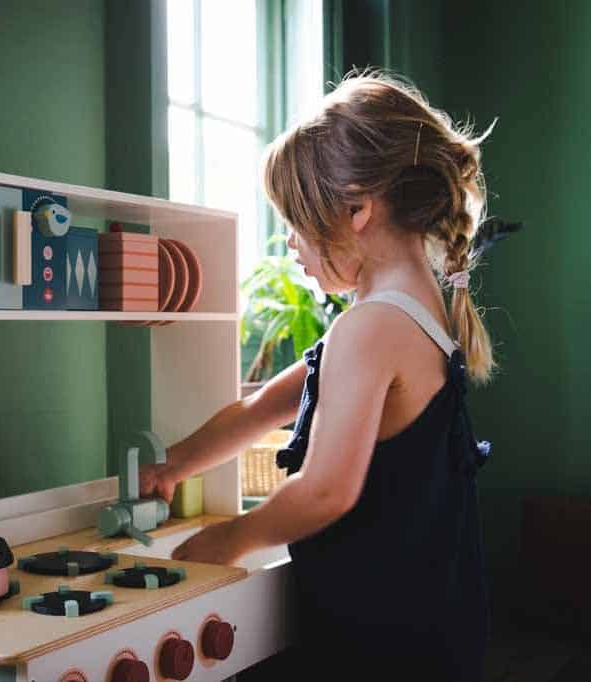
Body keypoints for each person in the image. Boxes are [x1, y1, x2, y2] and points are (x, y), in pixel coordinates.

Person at [139, 69, 497, 681]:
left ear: (357, 208)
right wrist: (173, 464)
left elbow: (328, 490)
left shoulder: (372, 327)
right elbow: (263, 409)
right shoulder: (410, 313)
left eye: (296, 222)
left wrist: (230, 539)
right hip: (433, 619)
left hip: (381, 641)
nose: (291, 247)